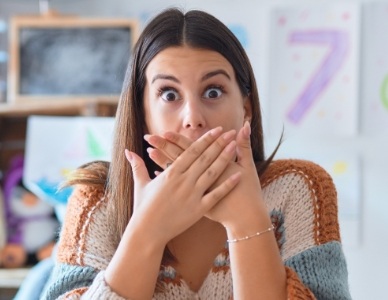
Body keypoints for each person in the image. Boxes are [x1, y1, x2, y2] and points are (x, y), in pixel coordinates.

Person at [41, 8, 351, 300]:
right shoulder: (97, 199)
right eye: (170, 94)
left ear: (246, 109)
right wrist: (147, 230)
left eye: (213, 92)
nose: (193, 117)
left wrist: (248, 222)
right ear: (143, 111)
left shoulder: (298, 188)